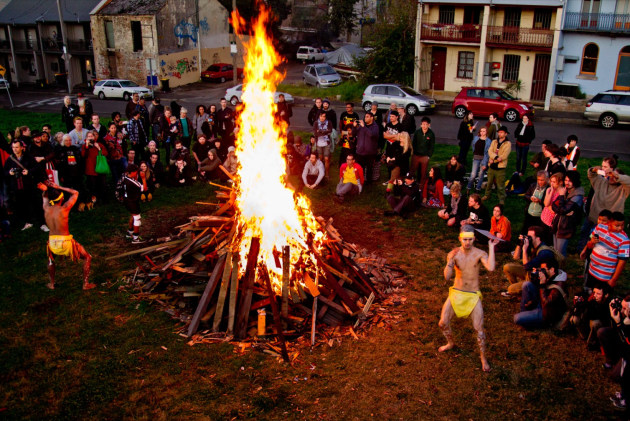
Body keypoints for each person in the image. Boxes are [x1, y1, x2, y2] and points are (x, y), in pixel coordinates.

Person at [439, 224, 496, 372]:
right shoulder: (453, 254)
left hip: (472, 295)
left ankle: (483, 357)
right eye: (465, 239)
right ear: (460, 239)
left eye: (470, 239)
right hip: (457, 293)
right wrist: (449, 263)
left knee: (480, 330)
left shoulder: (479, 254)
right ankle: (450, 343)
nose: (467, 243)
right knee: (443, 323)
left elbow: (490, 268)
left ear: (474, 239)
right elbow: (447, 277)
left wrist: (491, 248)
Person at [38, 182, 94, 290]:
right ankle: (85, 284)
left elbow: (44, 197)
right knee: (87, 257)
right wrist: (58, 187)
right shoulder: (65, 208)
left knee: (50, 259)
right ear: (62, 198)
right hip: (66, 243)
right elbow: (75, 193)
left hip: (52, 243)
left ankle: (52, 284)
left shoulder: (46, 208)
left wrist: (45, 190)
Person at [503, 226, 559, 296]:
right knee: (507, 267)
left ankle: (524, 291)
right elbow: (515, 257)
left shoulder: (544, 252)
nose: (527, 238)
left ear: (538, 238)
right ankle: (522, 290)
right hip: (531, 273)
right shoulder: (532, 245)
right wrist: (520, 244)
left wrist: (525, 249)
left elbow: (527, 266)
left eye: (530, 237)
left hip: (538, 279)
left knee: (510, 289)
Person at [513, 258, 568, 329]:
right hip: (541, 303)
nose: (542, 271)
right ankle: (525, 314)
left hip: (547, 313)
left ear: (552, 270)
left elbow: (546, 303)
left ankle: (539, 324)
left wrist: (542, 284)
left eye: (543, 269)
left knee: (516, 318)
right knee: (527, 285)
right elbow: (537, 289)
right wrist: (535, 277)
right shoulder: (552, 276)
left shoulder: (558, 286)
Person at [597, 294, 630, 411]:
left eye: (626, 309)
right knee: (620, 375)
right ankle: (623, 393)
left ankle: (627, 399)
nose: (623, 311)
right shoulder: (626, 317)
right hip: (626, 353)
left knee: (624, 374)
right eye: (623, 307)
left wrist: (619, 323)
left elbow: (626, 340)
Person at [583, 212, 629, 290]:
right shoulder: (599, 227)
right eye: (617, 225)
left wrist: (613, 280)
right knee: (590, 292)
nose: (620, 228)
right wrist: (591, 242)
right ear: (609, 223)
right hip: (592, 269)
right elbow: (590, 244)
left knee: (600, 296)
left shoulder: (624, 240)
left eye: (622, 225)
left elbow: (622, 261)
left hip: (605, 275)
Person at [4, 139, 41, 230]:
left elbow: (37, 167)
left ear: (21, 147)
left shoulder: (28, 157)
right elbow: (4, 172)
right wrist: (9, 173)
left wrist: (29, 171)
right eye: (13, 147)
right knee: (22, 205)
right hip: (17, 186)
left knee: (35, 203)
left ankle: (42, 222)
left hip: (29, 185)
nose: (15, 149)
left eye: (16, 147)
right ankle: (27, 222)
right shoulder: (10, 159)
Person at [551, 171, 584, 257]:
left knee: (560, 252)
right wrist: (562, 210)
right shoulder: (566, 191)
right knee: (555, 250)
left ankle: (560, 268)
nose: (567, 183)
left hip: (565, 227)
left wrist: (561, 197)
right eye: (566, 180)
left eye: (570, 181)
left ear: (575, 181)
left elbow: (562, 210)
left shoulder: (577, 196)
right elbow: (554, 205)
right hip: (557, 224)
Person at [570, 284, 611, 350]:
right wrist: (578, 306)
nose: (595, 295)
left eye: (598, 294)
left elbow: (601, 317)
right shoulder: (592, 300)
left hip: (602, 327)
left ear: (606, 295)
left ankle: (592, 342)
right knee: (575, 319)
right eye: (594, 292)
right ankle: (584, 336)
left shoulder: (608, 305)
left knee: (595, 323)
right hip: (589, 322)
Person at [482, 126, 511, 205]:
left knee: (500, 184)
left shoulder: (507, 144)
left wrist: (494, 158)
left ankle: (501, 198)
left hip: (500, 167)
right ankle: (487, 195)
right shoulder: (494, 141)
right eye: (499, 132)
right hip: (491, 166)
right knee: (489, 183)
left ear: (505, 134)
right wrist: (495, 157)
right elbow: (490, 151)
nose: (499, 134)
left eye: (501, 132)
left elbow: (504, 156)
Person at [354, 111, 379, 184]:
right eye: (365, 117)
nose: (365, 118)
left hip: (370, 153)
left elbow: (371, 135)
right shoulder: (362, 126)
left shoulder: (375, 127)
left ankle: (369, 184)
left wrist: (363, 127)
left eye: (367, 117)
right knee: (360, 168)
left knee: (369, 169)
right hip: (360, 152)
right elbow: (353, 133)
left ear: (372, 118)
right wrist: (354, 127)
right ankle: (359, 182)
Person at [540, 172, 564, 244]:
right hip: (544, 217)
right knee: (542, 237)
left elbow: (554, 210)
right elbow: (545, 203)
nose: (552, 184)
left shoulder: (561, 193)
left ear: (560, 183)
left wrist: (549, 206)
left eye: (554, 182)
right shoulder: (549, 190)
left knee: (549, 240)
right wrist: (550, 192)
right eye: (551, 181)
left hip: (551, 220)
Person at [411, 117, 435, 188]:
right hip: (416, 154)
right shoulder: (417, 132)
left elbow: (432, 146)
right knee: (412, 169)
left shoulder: (431, 134)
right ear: (421, 125)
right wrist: (414, 152)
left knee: (423, 172)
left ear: (429, 125)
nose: (424, 126)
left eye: (426, 124)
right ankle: (410, 182)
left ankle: (421, 186)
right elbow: (414, 143)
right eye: (423, 124)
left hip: (425, 156)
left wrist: (428, 156)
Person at [468, 127, 491, 193]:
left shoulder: (489, 141)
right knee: (473, 174)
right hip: (476, 158)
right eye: (481, 131)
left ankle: (478, 188)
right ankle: (469, 187)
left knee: (481, 174)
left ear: (486, 132)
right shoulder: (476, 138)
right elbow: (473, 146)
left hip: (483, 159)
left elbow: (487, 153)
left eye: (484, 131)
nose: (482, 133)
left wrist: (485, 163)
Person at [313, 112, 332, 179]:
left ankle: (327, 174)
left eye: (324, 116)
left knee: (326, 159)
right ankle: (320, 173)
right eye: (321, 116)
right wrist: (324, 132)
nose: (322, 118)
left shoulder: (329, 122)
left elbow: (330, 131)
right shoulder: (316, 123)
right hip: (319, 143)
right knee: (320, 159)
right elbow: (315, 133)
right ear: (319, 116)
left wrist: (320, 131)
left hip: (326, 143)